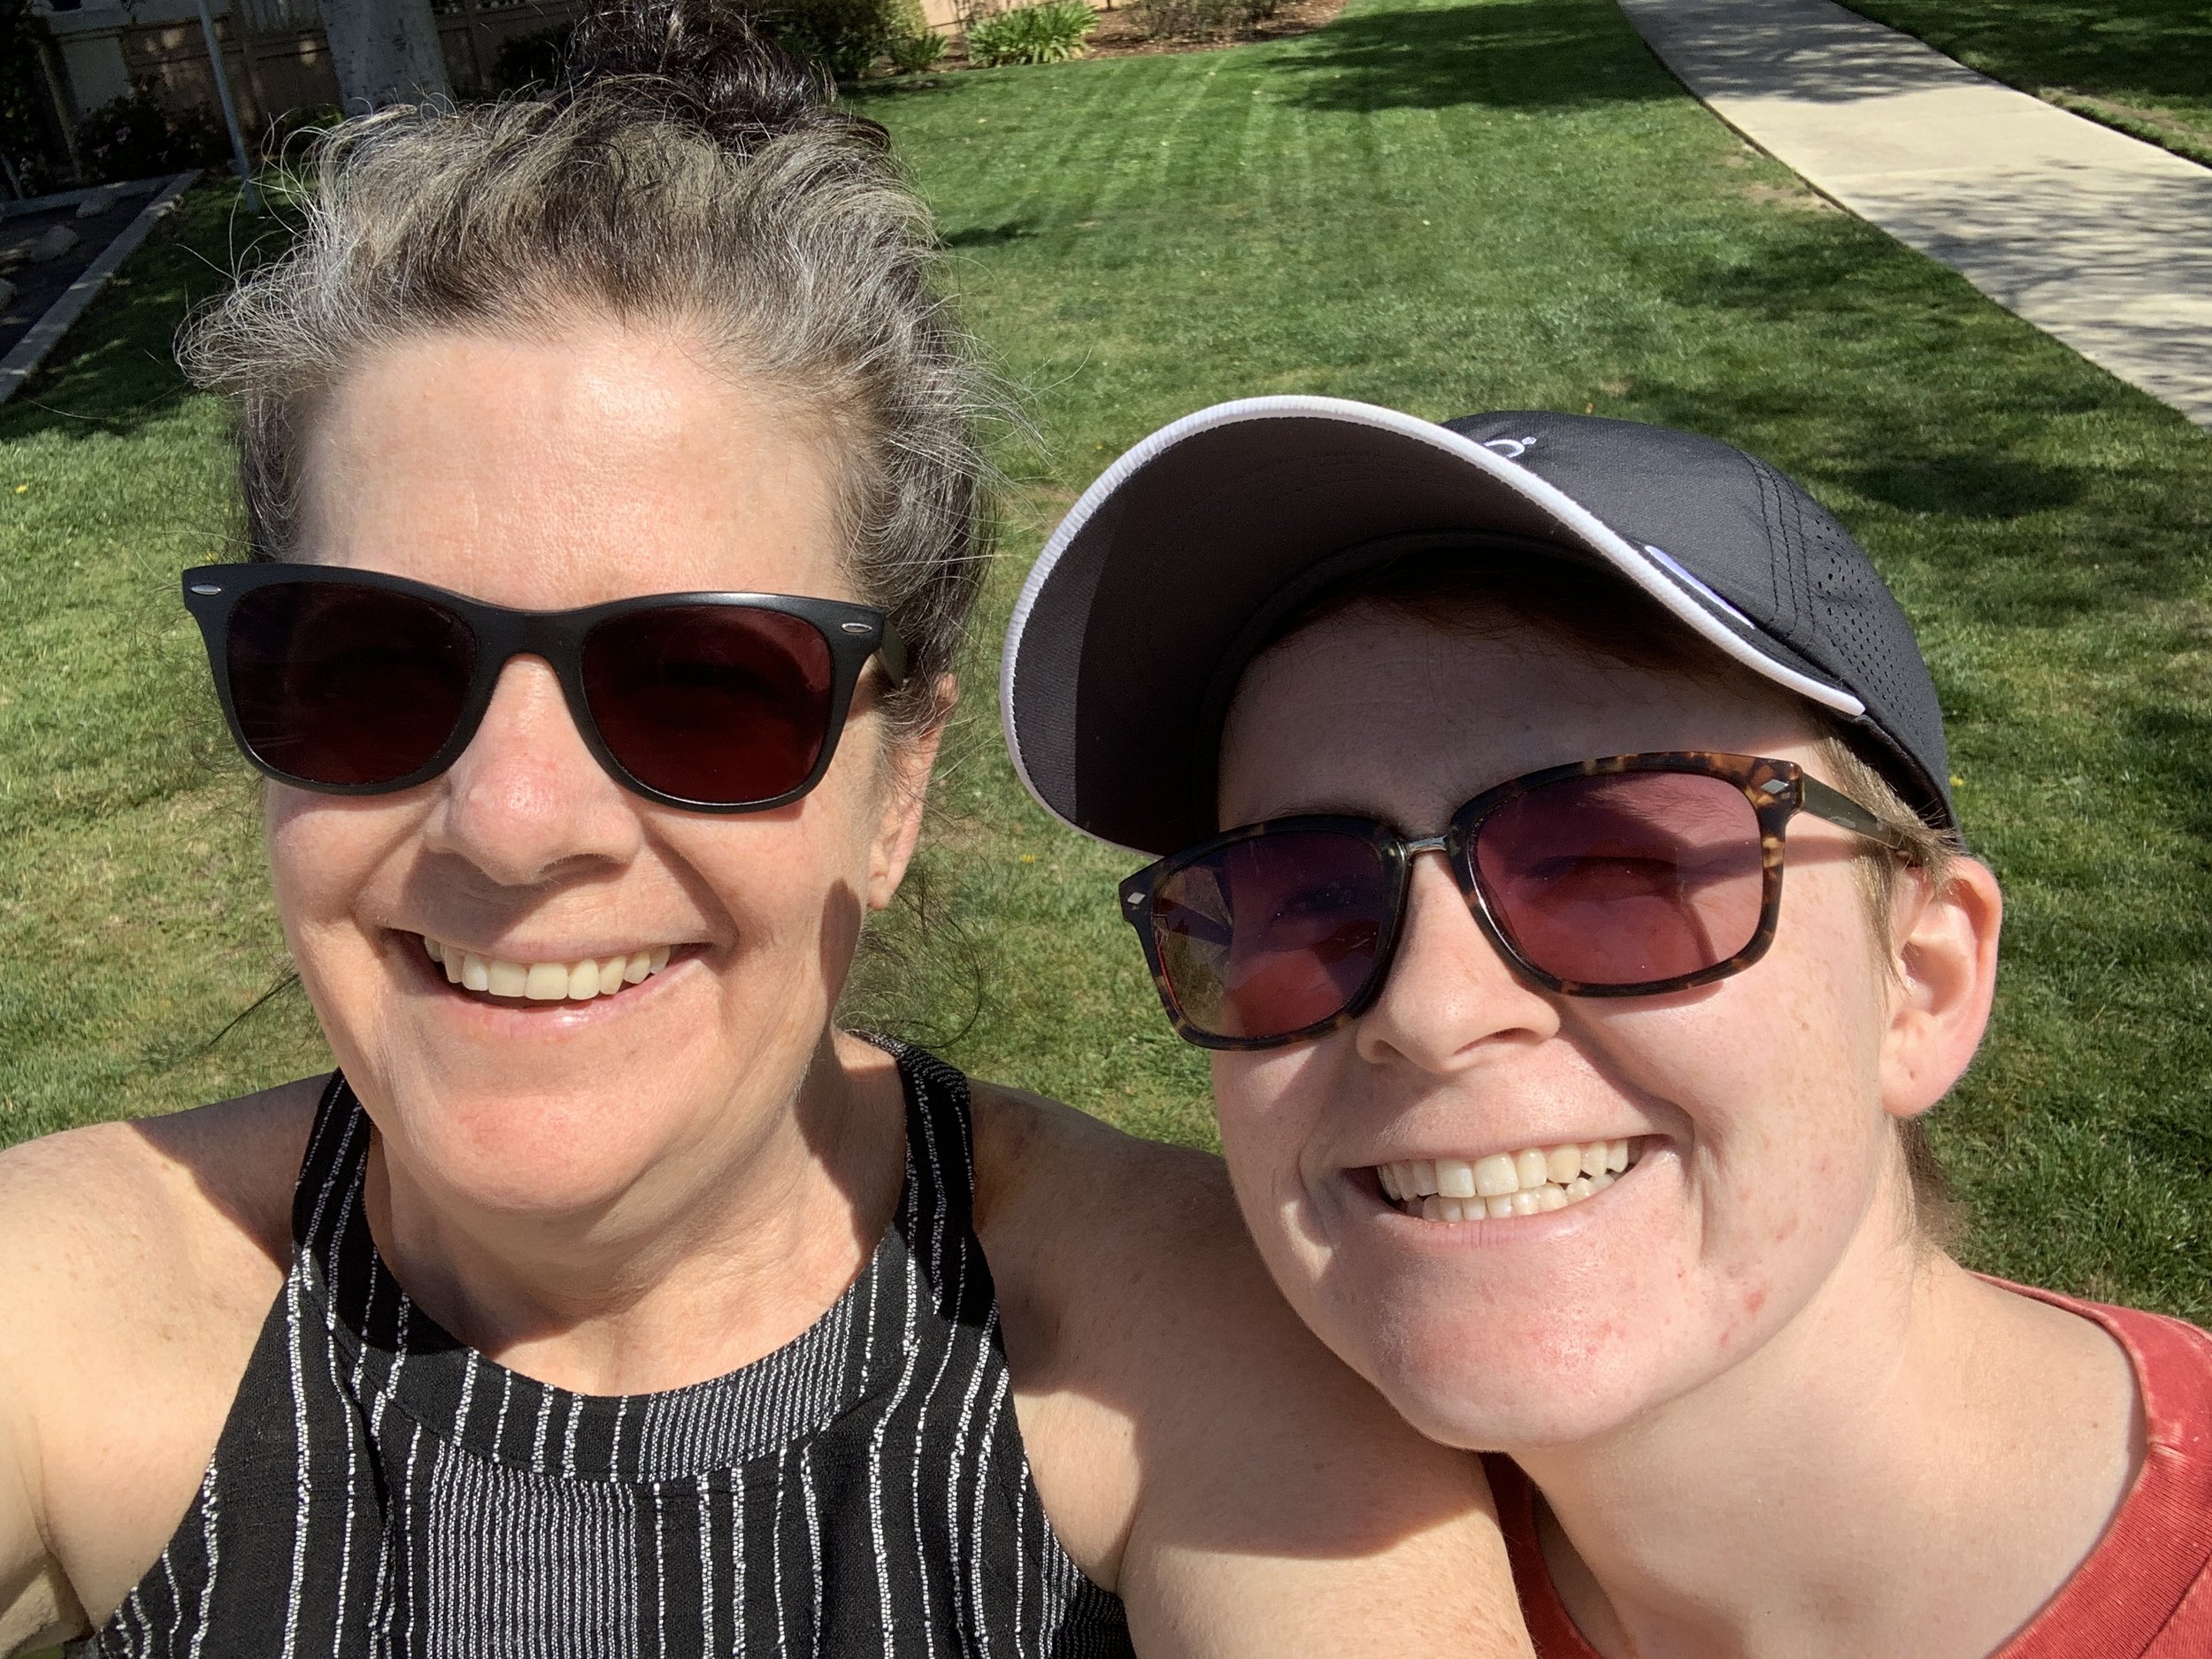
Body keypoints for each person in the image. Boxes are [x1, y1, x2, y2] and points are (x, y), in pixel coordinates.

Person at [0, 36, 1539, 1656]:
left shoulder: (1188, 1358)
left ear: (898, 788)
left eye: (701, 689)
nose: (515, 823)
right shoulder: (75, 1299)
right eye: (373, 666)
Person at [1001, 395, 2212, 1657]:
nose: (1429, 1009)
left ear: (1921, 977)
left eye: (1613, 868)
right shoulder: (1216, 1541)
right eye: (1301, 895)